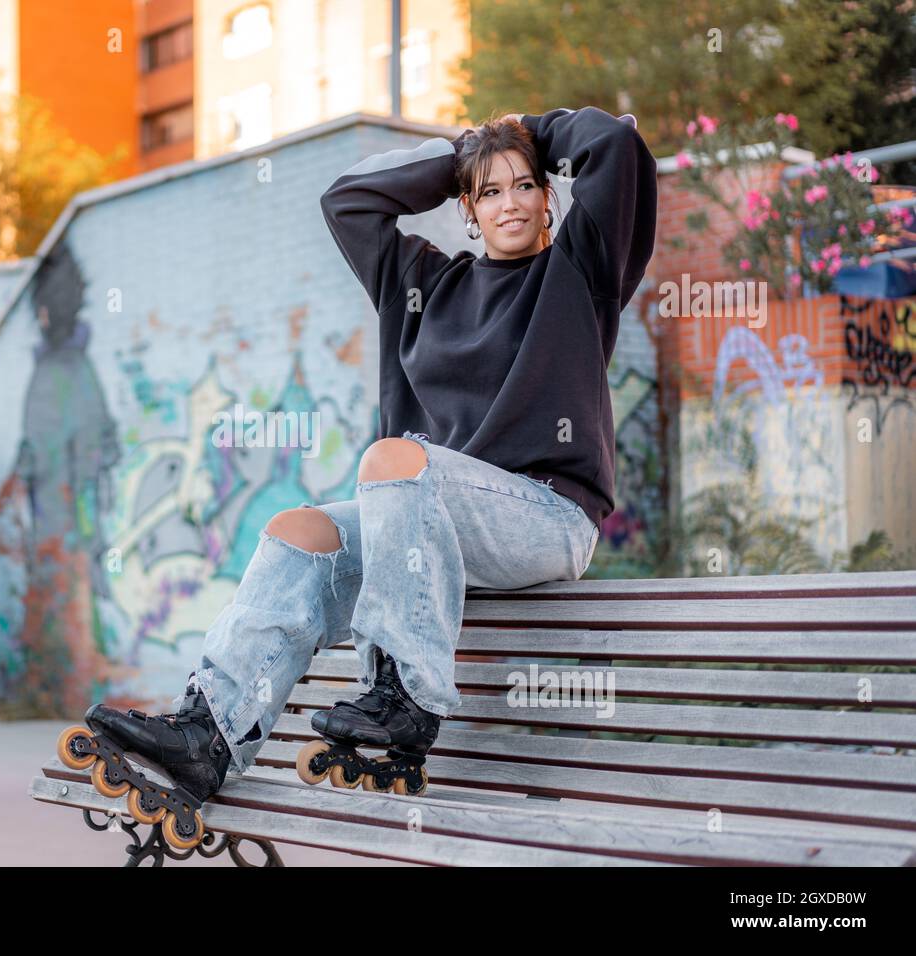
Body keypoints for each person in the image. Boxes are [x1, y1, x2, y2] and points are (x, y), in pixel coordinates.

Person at [76, 106, 658, 811]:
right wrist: (463, 156)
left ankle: (406, 695)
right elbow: (347, 202)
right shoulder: (425, 287)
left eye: (526, 185)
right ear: (469, 207)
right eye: (491, 190)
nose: (511, 202)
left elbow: (617, 146)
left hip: (546, 518)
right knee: (300, 532)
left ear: (548, 199)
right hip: (431, 520)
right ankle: (212, 732)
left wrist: (528, 127)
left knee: (395, 458)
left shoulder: (578, 272)